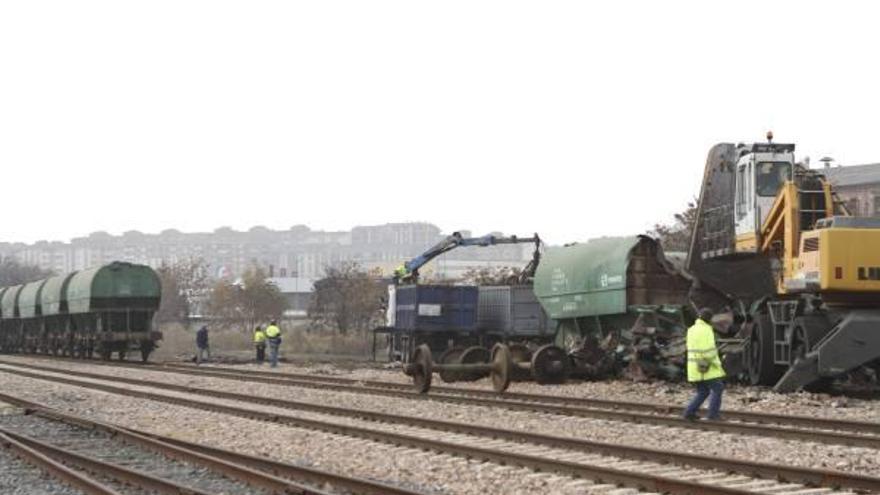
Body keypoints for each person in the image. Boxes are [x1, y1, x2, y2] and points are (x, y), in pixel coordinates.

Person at [683, 308, 726, 420]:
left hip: (693, 366)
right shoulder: (706, 330)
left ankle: (689, 412)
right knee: (718, 388)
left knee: (703, 391)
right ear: (709, 319)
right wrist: (717, 364)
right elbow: (708, 351)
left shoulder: (691, 329)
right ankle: (713, 414)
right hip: (704, 366)